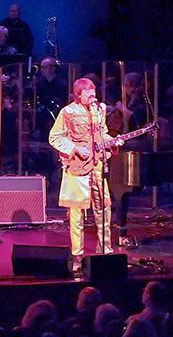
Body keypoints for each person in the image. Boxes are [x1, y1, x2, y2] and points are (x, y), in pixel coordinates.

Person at [49, 78, 123, 268]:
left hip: (97, 167)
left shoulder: (100, 110)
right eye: (88, 92)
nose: (92, 95)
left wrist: (112, 141)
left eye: (93, 91)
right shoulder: (68, 112)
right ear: (78, 95)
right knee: (77, 215)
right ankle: (77, 257)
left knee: (104, 211)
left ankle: (105, 252)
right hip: (77, 169)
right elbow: (54, 137)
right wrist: (75, 148)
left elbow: (102, 134)